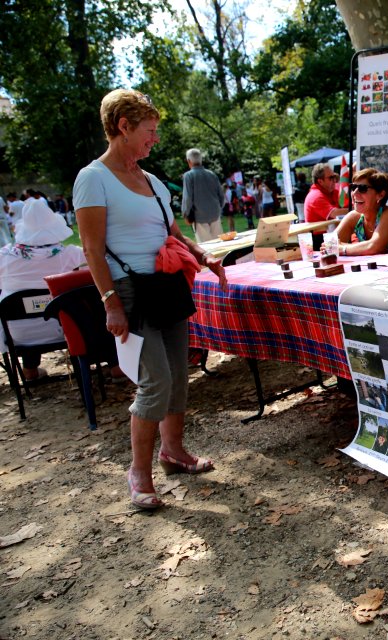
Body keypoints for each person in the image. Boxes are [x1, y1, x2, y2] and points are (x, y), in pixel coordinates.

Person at [72, 89, 229, 511]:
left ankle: (173, 451)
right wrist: (110, 302)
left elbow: (173, 234)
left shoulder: (153, 180)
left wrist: (204, 255)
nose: (154, 139)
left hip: (167, 286)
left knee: (179, 374)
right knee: (155, 380)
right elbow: (91, 247)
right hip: (128, 292)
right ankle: (138, 471)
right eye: (149, 131)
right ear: (123, 127)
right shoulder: (93, 178)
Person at [0, 199, 86, 380]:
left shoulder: (4, 257)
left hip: (17, 334)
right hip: (65, 327)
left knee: (22, 309)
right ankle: (113, 363)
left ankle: (29, 369)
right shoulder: (71, 254)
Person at [329, 168, 388, 256]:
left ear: (380, 195)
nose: (354, 193)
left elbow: (374, 247)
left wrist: (343, 248)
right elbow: (329, 245)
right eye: (353, 187)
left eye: (362, 188)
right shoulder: (354, 217)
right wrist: (336, 247)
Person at [181, 148, 225, 243]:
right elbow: (221, 196)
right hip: (215, 214)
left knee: (206, 247)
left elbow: (188, 198)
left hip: (199, 216)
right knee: (220, 245)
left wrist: (186, 214)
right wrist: (218, 209)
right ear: (201, 159)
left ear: (189, 161)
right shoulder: (212, 174)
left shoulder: (188, 176)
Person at [304, 163, 349, 244]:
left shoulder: (333, 191)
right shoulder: (315, 196)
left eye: (335, 177)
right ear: (320, 181)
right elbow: (335, 214)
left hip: (332, 234)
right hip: (319, 240)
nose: (335, 180)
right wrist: (357, 209)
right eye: (331, 178)